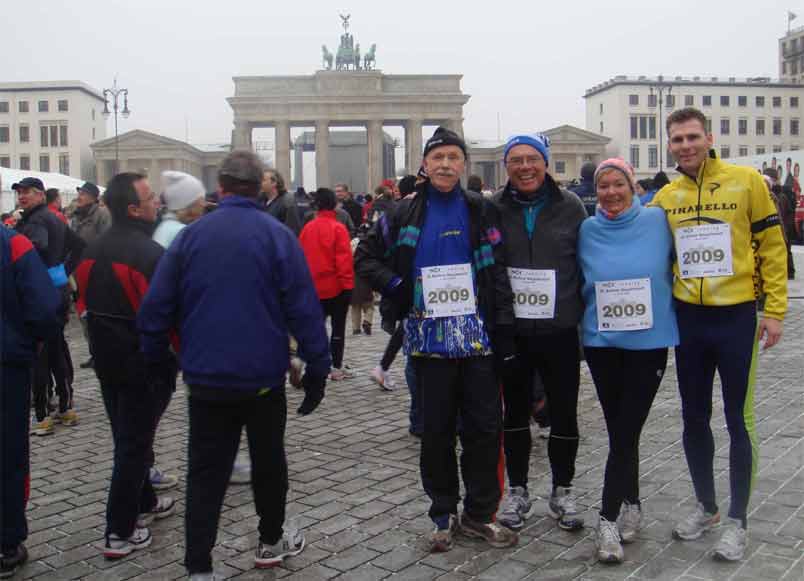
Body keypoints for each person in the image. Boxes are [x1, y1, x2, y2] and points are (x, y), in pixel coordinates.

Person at [138, 151, 330, 578]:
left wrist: (158, 361)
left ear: (221, 187)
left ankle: (198, 565)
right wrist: (318, 368)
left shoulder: (189, 237)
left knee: (206, 472)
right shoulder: (277, 236)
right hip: (263, 379)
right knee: (268, 462)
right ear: (260, 185)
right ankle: (270, 540)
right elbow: (304, 310)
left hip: (206, 380)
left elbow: (154, 311)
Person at [355, 126, 518, 552]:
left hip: (477, 339)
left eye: (454, 157)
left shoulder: (481, 209)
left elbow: (498, 270)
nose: (446, 164)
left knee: (484, 430)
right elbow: (365, 257)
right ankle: (443, 512)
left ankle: (480, 515)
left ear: (463, 165)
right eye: (438, 157)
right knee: (437, 432)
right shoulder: (399, 214)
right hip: (428, 342)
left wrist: (504, 327)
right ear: (425, 165)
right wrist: (398, 286)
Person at [650, 107, 787, 562]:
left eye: (692, 137)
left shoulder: (745, 181)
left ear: (708, 137)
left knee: (738, 420)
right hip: (689, 320)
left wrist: (774, 311)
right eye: (677, 139)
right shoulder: (666, 197)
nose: (685, 145)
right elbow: (641, 250)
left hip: (735, 319)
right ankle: (707, 506)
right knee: (693, 417)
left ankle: (737, 520)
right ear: (669, 145)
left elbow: (772, 245)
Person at [578, 158, 679, 563]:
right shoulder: (586, 229)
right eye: (603, 186)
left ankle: (606, 519)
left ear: (632, 185)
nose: (611, 192)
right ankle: (632, 502)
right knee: (621, 427)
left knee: (625, 429)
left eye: (618, 184)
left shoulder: (658, 221)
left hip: (648, 343)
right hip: (603, 343)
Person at [73, 172, 177, 558]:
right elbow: (166, 315)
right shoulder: (149, 255)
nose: (157, 203)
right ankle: (119, 530)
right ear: (134, 208)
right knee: (132, 446)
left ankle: (146, 501)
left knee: (130, 436)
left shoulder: (91, 249)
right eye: (150, 198)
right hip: (145, 364)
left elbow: (82, 306)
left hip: (106, 360)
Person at [491, 134, 587, 533]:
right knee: (513, 414)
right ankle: (517, 490)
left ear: (546, 163)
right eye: (516, 160)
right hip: (512, 330)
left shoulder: (572, 207)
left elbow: (586, 265)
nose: (525, 166)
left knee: (564, 413)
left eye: (533, 158)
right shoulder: (492, 208)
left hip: (559, 330)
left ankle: (562, 490)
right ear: (506, 166)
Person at [0, 227, 62, 579]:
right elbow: (44, 306)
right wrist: (34, 342)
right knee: (7, 453)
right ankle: (6, 543)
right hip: (6, 364)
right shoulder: (13, 243)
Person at [12, 177, 82, 436]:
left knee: (39, 353)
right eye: (19, 192)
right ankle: (66, 405)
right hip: (57, 291)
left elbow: (36, 246)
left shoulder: (37, 220)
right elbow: (79, 246)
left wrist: (38, 273)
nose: (22, 196)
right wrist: (62, 271)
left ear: (41, 195)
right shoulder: (54, 217)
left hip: (39, 294)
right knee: (56, 348)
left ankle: (42, 415)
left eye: (28, 192)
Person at [299, 188, 355, 381]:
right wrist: (348, 285)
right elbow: (343, 261)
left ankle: (306, 363)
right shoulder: (338, 228)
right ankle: (336, 368)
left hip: (313, 288)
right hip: (336, 287)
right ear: (335, 205)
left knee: (315, 329)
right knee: (338, 329)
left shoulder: (308, 228)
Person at [71, 182, 112, 370]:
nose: (80, 196)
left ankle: (103, 353)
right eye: (79, 193)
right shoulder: (76, 217)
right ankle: (94, 352)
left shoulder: (102, 215)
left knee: (98, 315)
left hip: (96, 272)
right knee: (84, 315)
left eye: (84, 194)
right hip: (79, 273)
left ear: (95, 197)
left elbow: (107, 242)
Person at [152, 172, 207, 249]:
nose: (204, 204)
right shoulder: (182, 232)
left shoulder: (165, 226)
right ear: (189, 204)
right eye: (201, 200)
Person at [262, 170, 302, 235]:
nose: (260, 182)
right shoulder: (260, 201)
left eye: (263, 180)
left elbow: (292, 230)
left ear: (274, 183)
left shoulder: (287, 202)